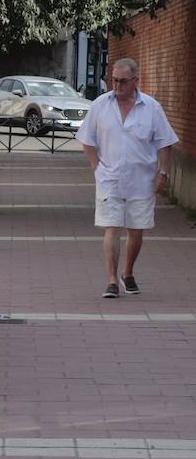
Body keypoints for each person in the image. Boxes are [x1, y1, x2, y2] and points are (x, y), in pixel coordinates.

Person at [77, 58, 177, 299]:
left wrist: (163, 172)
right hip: (109, 177)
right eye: (114, 80)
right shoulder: (101, 105)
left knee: (137, 230)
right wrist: (95, 167)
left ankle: (128, 272)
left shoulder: (152, 108)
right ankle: (111, 280)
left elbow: (165, 144)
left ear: (135, 81)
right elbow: (87, 139)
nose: (117, 86)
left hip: (142, 180)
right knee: (112, 227)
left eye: (122, 81)